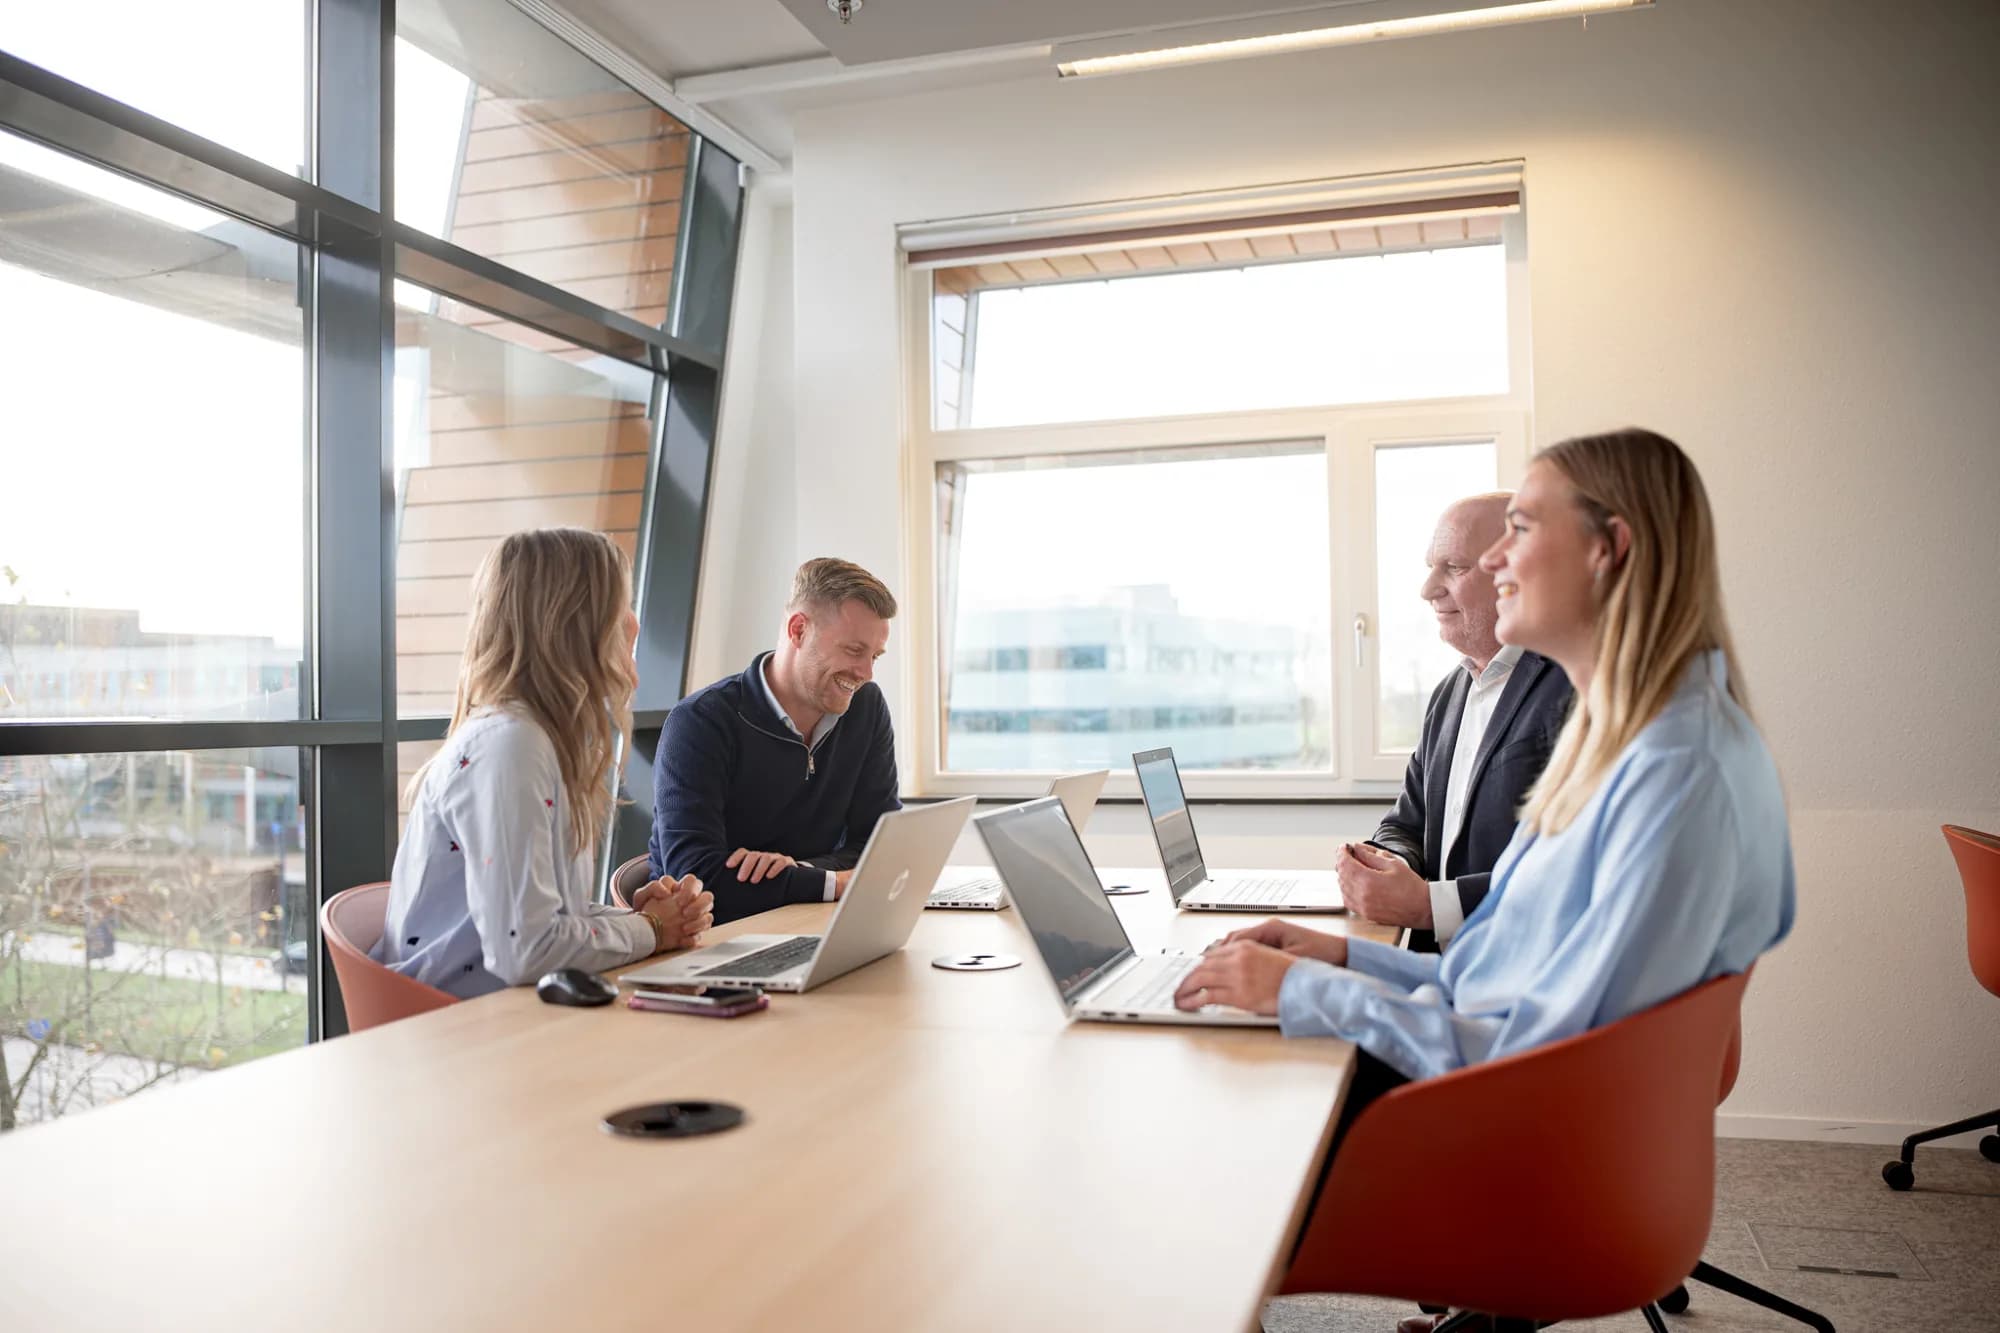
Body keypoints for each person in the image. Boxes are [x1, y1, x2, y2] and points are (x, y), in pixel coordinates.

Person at [1176, 427, 1795, 1103]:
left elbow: (1532, 1057)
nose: (1496, 559)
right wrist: (1340, 955)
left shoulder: (1674, 771)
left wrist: (1300, 989)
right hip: (1507, 1106)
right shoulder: (1626, 745)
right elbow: (1483, 977)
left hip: (1508, 1136)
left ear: (1608, 549)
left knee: (1218, 1087)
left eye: (1521, 528)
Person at [375, 529, 712, 1000]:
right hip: (456, 1033)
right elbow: (526, 950)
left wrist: (645, 923)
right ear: (577, 625)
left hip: (497, 1015)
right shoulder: (510, 747)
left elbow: (545, 921)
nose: (634, 625)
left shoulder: (536, 742)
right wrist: (653, 929)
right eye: (619, 609)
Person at [1342, 493, 1572, 951]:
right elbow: (1407, 822)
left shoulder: (1572, 686)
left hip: (1517, 977)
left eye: (1455, 568)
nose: (1428, 589)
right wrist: (1383, 863)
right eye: (1432, 566)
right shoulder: (1451, 692)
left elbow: (1570, 870)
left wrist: (1429, 905)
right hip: (1445, 970)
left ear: (1516, 573)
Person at [650, 558, 901, 924]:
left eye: (874, 656)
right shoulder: (701, 722)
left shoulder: (866, 708)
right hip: (715, 942)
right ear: (798, 630)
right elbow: (695, 878)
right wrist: (831, 883)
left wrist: (799, 870)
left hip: (811, 925)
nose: (865, 673)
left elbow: (881, 847)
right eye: (853, 651)